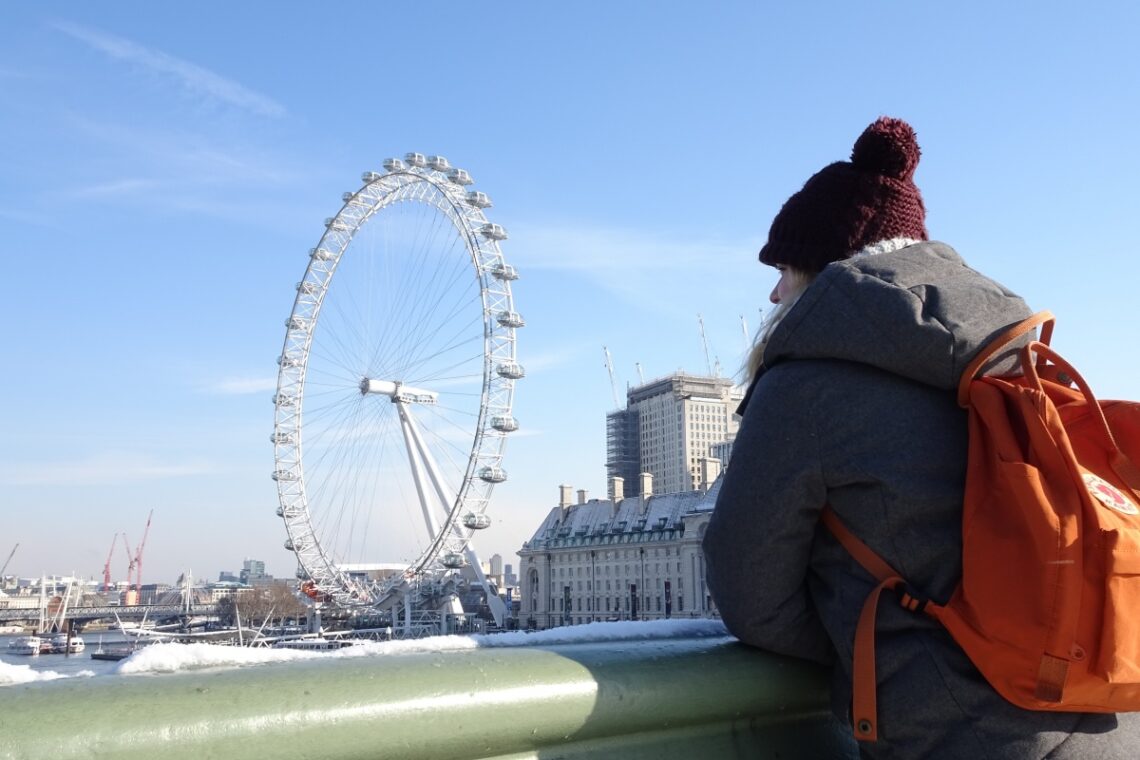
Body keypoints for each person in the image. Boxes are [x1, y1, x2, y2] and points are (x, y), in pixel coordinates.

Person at [702, 116, 1140, 759]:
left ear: (825, 274)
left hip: (967, 737)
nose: (773, 289)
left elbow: (748, 588)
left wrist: (868, 646)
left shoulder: (804, 387)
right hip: (1109, 712)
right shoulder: (1012, 361)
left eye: (787, 268)